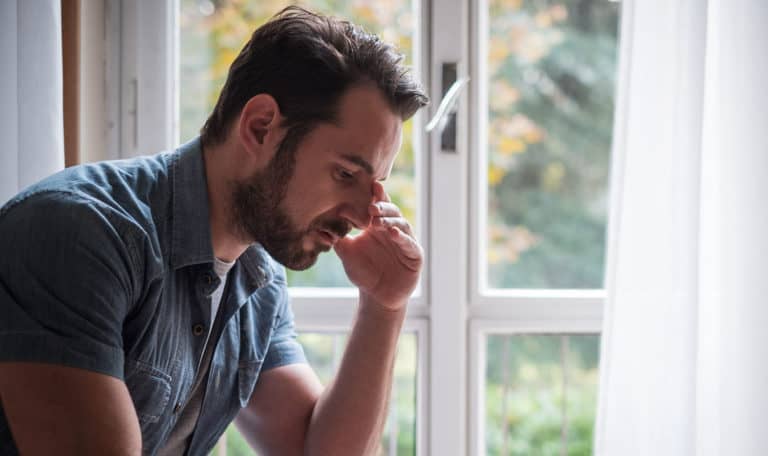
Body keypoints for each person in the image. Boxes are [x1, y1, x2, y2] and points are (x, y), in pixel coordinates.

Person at [0, 6, 428, 455]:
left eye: (377, 185)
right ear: (261, 127)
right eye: (345, 174)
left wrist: (384, 304)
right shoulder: (82, 234)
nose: (364, 216)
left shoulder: (256, 275)